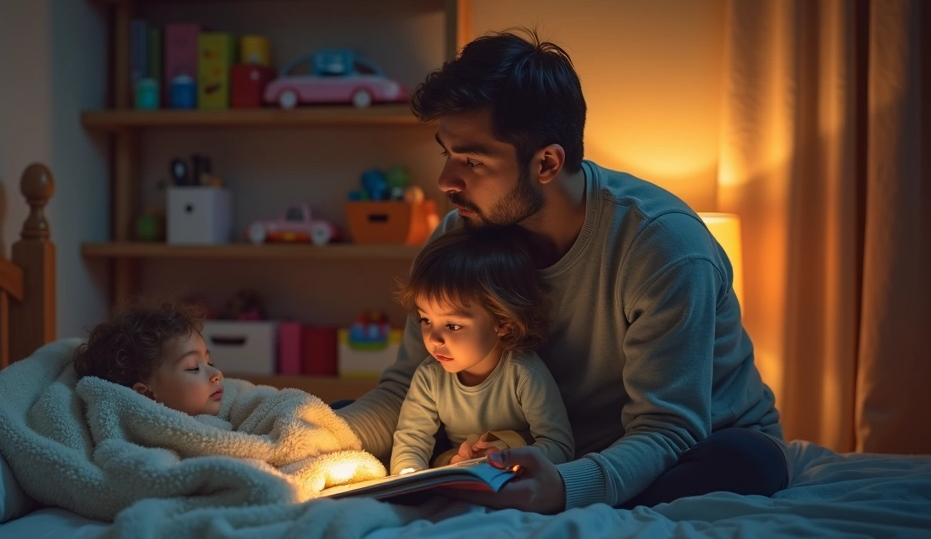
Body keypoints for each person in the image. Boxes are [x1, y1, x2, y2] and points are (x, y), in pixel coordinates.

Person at [335, 28, 788, 512]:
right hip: (539, 442)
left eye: (471, 160)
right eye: (446, 153)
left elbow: (668, 428)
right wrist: (312, 433)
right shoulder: (458, 236)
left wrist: (566, 486)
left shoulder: (662, 245)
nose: (446, 180)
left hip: (692, 442)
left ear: (547, 163)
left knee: (740, 463)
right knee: (335, 425)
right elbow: (407, 386)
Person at [388, 224, 574, 476]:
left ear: (503, 323)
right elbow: (412, 440)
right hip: (457, 470)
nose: (434, 338)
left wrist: (502, 458)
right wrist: (410, 476)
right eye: (426, 320)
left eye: (452, 325)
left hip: (514, 472)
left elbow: (560, 447)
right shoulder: (430, 377)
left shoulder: (524, 373)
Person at [74, 300, 224, 417]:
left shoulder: (234, 403)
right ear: (146, 394)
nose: (217, 374)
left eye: (209, 362)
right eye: (194, 368)